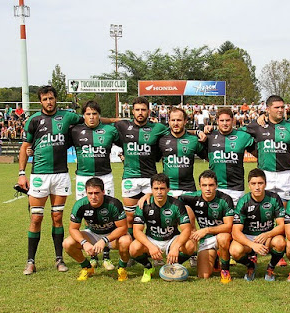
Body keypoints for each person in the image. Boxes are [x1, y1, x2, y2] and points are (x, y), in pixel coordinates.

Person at [17, 85, 83, 275]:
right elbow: (25, 147)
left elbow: (89, 118)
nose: (49, 102)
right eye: (45, 99)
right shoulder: (33, 120)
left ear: (56, 99)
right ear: (40, 101)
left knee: (57, 217)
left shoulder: (67, 116)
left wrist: (114, 121)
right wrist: (22, 173)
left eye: (51, 98)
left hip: (61, 174)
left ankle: (59, 259)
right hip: (39, 175)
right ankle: (31, 261)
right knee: (36, 217)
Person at [70, 100, 120, 269]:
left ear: (99, 115)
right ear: (83, 115)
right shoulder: (75, 131)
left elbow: (126, 143)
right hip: (83, 178)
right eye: (88, 114)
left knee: (109, 214)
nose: (91, 117)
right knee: (86, 212)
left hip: (104, 177)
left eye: (94, 114)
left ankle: (106, 255)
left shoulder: (110, 131)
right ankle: (92, 255)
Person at [112, 97, 168, 239]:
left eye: (143, 110)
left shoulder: (158, 127)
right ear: (132, 111)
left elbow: (176, 132)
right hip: (130, 177)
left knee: (152, 215)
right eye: (137, 110)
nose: (140, 113)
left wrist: (198, 132)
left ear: (149, 111)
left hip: (150, 178)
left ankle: (151, 246)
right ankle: (132, 250)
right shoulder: (123, 126)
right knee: (130, 218)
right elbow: (107, 123)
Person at [62, 178, 132, 281]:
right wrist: (84, 242)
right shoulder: (80, 205)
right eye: (90, 193)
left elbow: (123, 228)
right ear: (86, 193)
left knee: (126, 241)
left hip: (112, 235)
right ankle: (87, 267)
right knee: (67, 243)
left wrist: (105, 240)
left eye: (97, 193)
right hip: (92, 234)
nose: (93, 197)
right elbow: (73, 229)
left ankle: (122, 268)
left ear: (103, 192)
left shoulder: (114, 203)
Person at [129, 173, 195, 282]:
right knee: (134, 248)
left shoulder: (177, 204)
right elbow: (137, 231)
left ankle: (174, 265)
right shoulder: (144, 205)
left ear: (168, 189)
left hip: (172, 239)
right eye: (156, 188)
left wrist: (176, 247)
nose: (159, 192)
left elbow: (186, 229)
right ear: (151, 189)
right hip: (152, 239)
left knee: (190, 246)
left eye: (162, 188)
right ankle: (148, 268)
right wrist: (150, 246)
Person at [243, 95, 290, 205]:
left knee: (284, 210)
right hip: (265, 173)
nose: (280, 110)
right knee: (264, 209)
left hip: (285, 174)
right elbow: (239, 136)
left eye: (282, 107)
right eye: (277, 107)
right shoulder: (257, 125)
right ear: (267, 109)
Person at [230, 168, 286, 281]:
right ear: (249, 185)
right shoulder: (243, 201)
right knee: (235, 251)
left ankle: (270, 268)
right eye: (253, 184)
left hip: (267, 235)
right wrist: (252, 245)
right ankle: (250, 265)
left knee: (280, 242)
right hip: (248, 237)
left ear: (265, 184)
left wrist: (268, 234)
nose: (257, 187)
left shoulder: (274, 198)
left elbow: (282, 225)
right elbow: (235, 232)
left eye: (260, 183)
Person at [179, 170, 235, 283]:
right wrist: (149, 195)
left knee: (223, 238)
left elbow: (229, 226)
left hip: (223, 236)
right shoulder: (192, 198)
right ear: (200, 186)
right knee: (203, 275)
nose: (208, 189)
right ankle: (215, 260)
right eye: (204, 185)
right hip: (206, 239)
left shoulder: (225, 199)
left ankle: (225, 270)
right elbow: (172, 200)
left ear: (216, 185)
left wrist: (206, 230)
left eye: (211, 185)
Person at [203, 107, 255, 205]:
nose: (225, 123)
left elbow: (258, 152)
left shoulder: (243, 136)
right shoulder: (209, 136)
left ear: (233, 120)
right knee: (217, 219)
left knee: (236, 220)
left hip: (236, 188)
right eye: (222, 120)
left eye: (227, 120)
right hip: (215, 187)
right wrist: (200, 131)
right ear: (217, 121)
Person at [158, 107, 206, 197]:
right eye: (173, 120)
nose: (175, 123)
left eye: (179, 120)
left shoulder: (194, 140)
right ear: (169, 121)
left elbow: (209, 158)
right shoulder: (161, 140)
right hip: (168, 189)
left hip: (189, 189)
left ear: (185, 121)